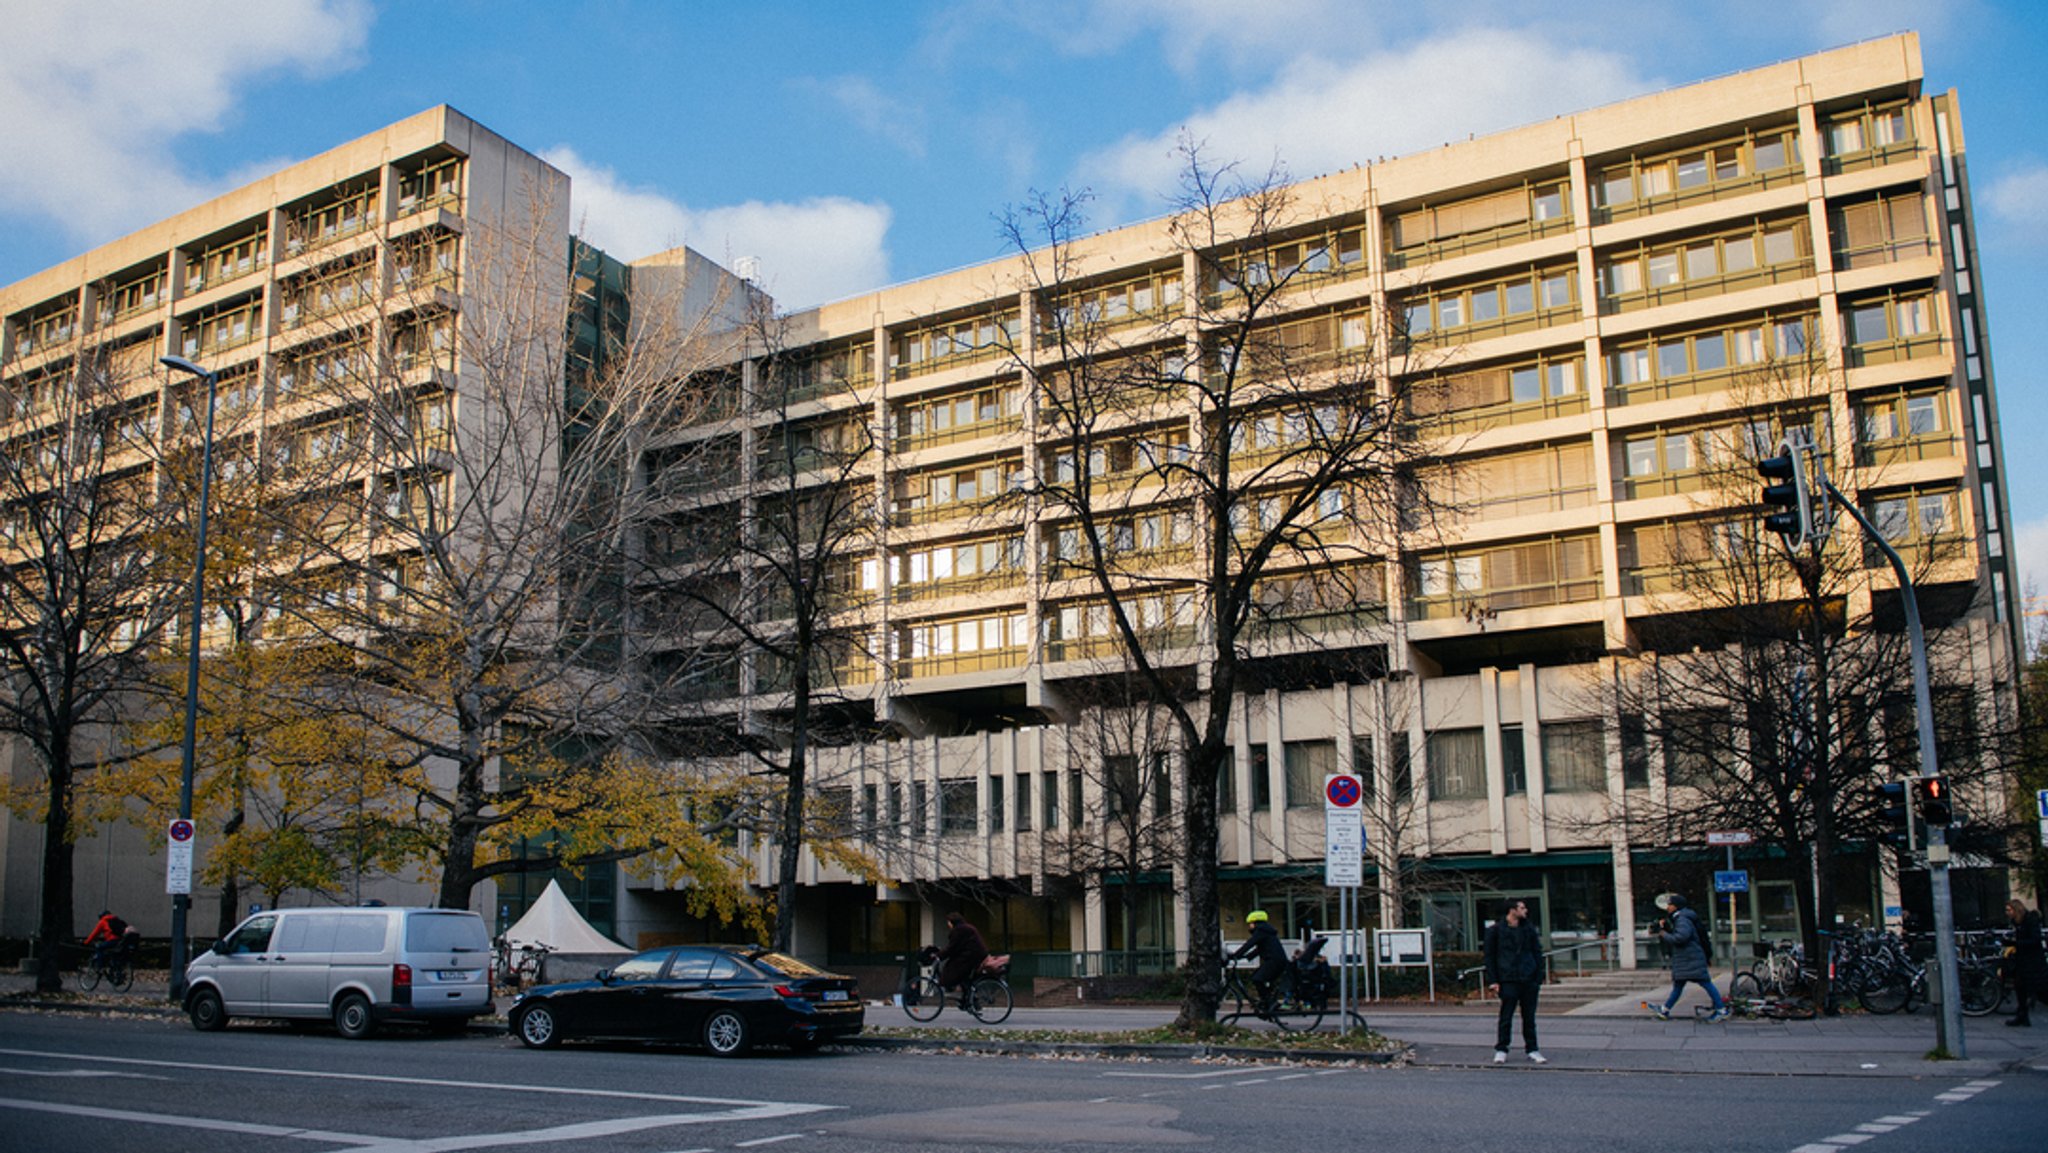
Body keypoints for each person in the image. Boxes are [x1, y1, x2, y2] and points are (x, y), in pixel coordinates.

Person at [1483, 898, 1547, 1064]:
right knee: (1506, 1015)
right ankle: (1501, 1049)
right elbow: (1489, 957)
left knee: (1529, 1016)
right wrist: (1494, 980)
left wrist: (1538, 976)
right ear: (1512, 910)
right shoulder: (1495, 931)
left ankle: (1532, 1049)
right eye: (1522, 907)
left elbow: (1537, 952)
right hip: (1507, 978)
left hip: (1528, 977)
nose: (1525, 910)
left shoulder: (1529, 930)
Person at [1649, 893, 1727, 1021]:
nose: (1667, 907)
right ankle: (1665, 1010)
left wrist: (1663, 934)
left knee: (1705, 983)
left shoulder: (1683, 919)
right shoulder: (1682, 917)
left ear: (1676, 906)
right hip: (1688, 958)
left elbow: (1681, 937)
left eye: (1670, 904)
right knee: (1680, 985)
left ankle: (1721, 1010)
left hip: (1690, 958)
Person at [1229, 909, 1288, 1013]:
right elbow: (1259, 949)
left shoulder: (1261, 931)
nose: (1249, 926)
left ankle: (1270, 1003)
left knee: (1257, 979)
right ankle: (1266, 1003)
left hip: (1274, 961)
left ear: (1255, 923)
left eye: (1250, 924)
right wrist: (1246, 957)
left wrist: (1236, 955)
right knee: (1257, 977)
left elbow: (1249, 944)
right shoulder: (1266, 931)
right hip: (1277, 961)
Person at [2003, 898, 2046, 1027]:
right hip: (2023, 960)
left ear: (2016, 910)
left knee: (2040, 991)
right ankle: (2022, 1015)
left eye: (2009, 910)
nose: (2007, 913)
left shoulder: (2029, 921)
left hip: (2033, 962)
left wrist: (2015, 943)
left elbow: (2035, 940)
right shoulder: (2018, 923)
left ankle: (2023, 1014)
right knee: (2020, 987)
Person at [935, 912, 989, 1009]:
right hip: (977, 955)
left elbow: (952, 947)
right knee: (963, 976)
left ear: (952, 922)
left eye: (948, 922)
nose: (948, 924)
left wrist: (939, 956)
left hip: (971, 956)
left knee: (954, 970)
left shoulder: (958, 931)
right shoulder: (967, 927)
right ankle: (969, 999)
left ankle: (970, 999)